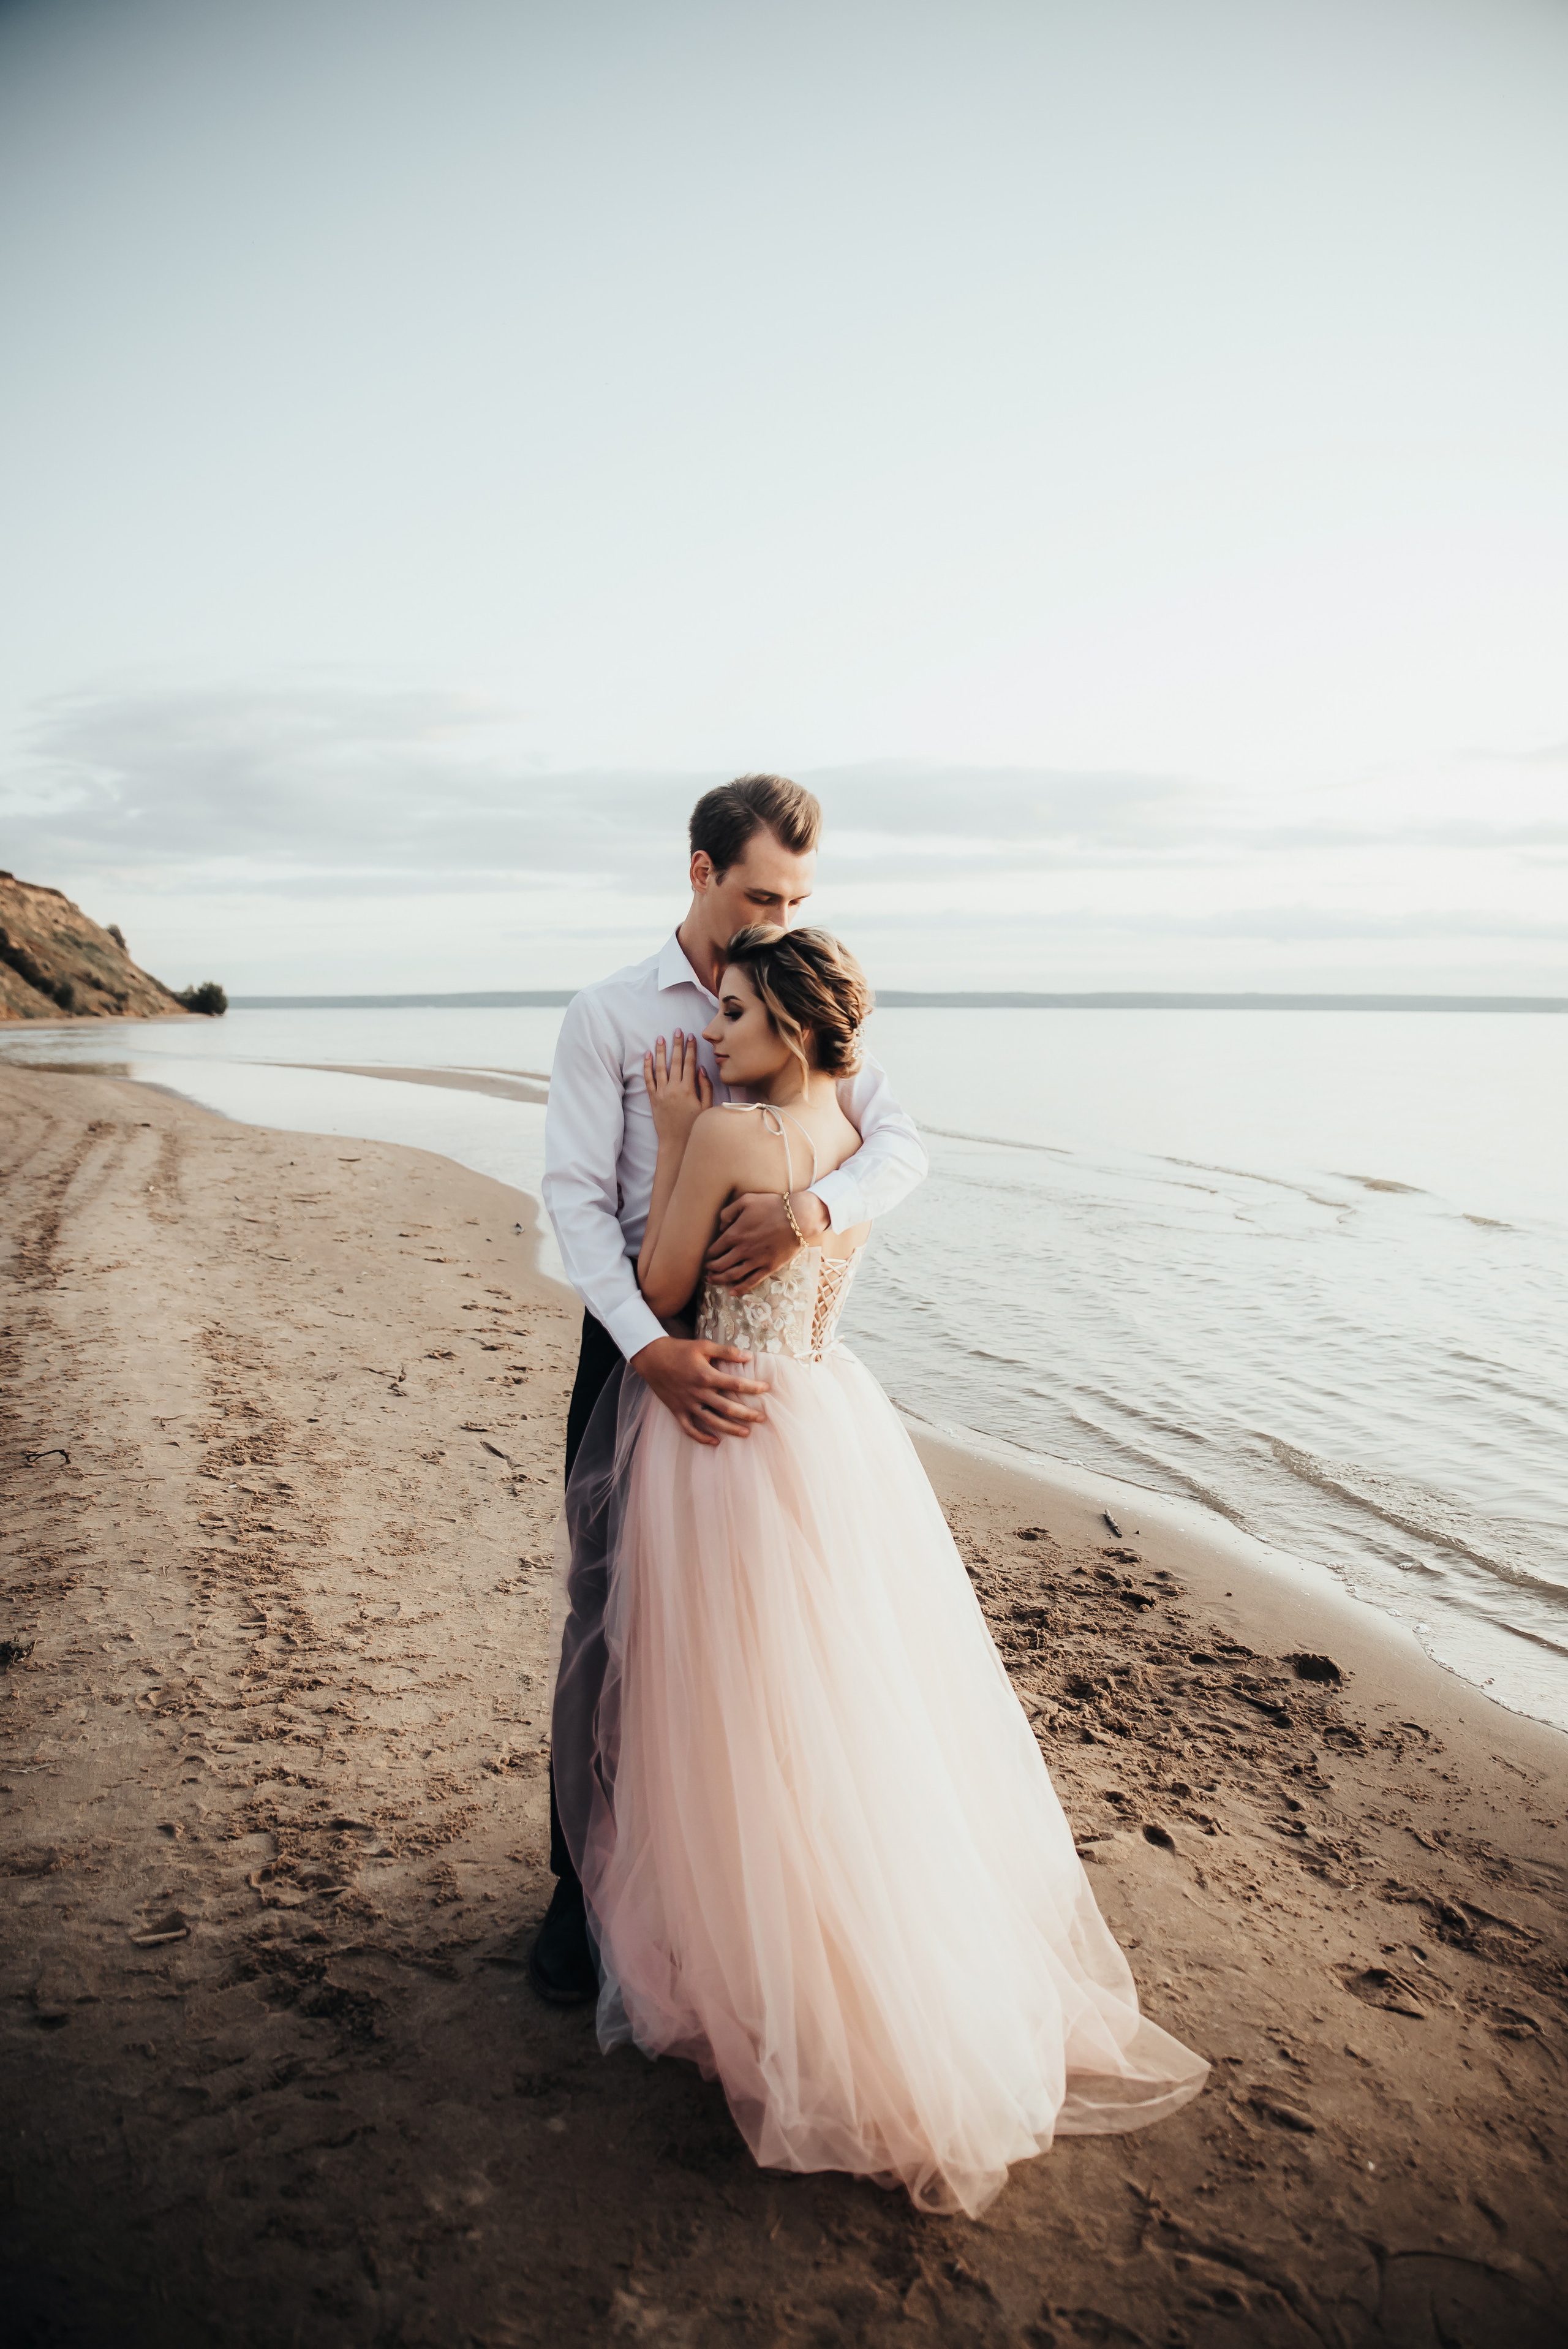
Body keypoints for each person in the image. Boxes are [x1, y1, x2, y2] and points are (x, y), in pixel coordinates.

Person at [551, 923, 1207, 2217]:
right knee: (840, 1695)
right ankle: (854, 1946)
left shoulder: (731, 1137)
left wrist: (678, 1139)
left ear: (788, 1031)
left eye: (734, 1017)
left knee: (727, 1702)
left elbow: (659, 1280)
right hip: (828, 1420)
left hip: (720, 1434)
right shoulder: (849, 1142)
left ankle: (757, 1967)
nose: (714, 1035)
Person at [536, 774, 928, 2002]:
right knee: (607, 1625)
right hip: (632, 1344)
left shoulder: (801, 997)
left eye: (800, 895)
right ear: (698, 871)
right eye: (762, 889)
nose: (780, 909)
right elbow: (573, 1207)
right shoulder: (606, 1014)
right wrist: (645, 1348)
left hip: (762, 1353)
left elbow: (902, 1142)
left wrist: (816, 1207)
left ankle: (739, 1891)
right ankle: (579, 1892)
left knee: (760, 1641)